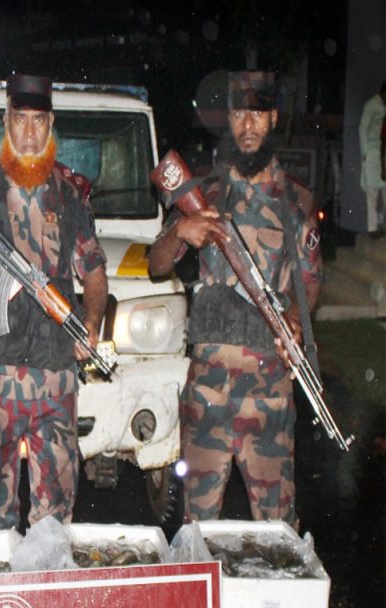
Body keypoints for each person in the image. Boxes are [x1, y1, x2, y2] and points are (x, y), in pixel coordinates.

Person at [0, 73, 109, 532]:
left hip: (55, 381)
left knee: (54, 524)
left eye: (38, 122)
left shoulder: (71, 194)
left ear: (52, 125)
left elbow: (94, 273)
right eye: (20, 120)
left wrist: (91, 321)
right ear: (6, 121)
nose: (29, 134)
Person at [147, 70, 323, 529]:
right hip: (207, 392)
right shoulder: (203, 192)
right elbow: (156, 264)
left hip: (268, 394)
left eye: (259, 113)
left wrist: (296, 322)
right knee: (198, 529)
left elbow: (309, 284)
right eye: (240, 113)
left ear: (273, 118)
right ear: (229, 118)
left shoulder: (296, 202)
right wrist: (179, 230)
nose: (249, 124)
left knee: (276, 529)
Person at [360, 81, 386, 237]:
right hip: (372, 151)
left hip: (383, 150)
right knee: (372, 192)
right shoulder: (372, 105)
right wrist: (365, 151)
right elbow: (363, 128)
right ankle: (372, 228)